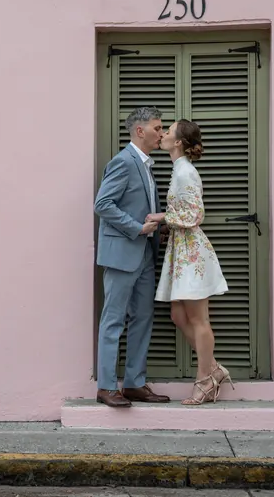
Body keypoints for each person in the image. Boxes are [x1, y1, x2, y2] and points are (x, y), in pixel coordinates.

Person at [145, 119, 232, 405]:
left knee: (198, 319)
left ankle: (204, 379)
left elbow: (194, 216)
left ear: (179, 142)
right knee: (178, 316)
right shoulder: (178, 170)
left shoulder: (186, 173)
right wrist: (168, 225)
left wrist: (161, 218)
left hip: (192, 252)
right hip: (180, 250)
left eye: (167, 132)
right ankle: (214, 370)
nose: (163, 135)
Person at [93, 106, 171, 408]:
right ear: (140, 131)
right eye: (157, 127)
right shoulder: (123, 162)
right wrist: (137, 228)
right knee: (113, 319)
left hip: (146, 255)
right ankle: (106, 387)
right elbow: (103, 204)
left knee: (143, 318)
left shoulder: (147, 165)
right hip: (123, 254)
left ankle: (135, 384)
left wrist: (155, 231)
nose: (162, 133)